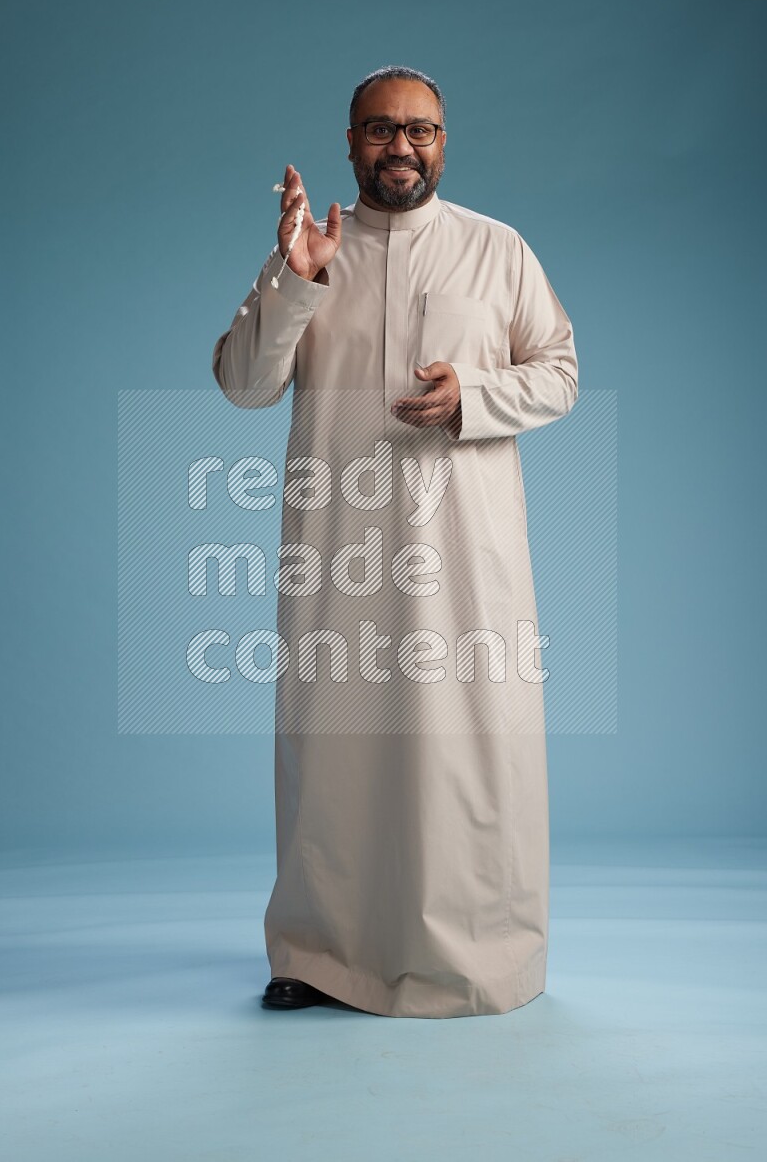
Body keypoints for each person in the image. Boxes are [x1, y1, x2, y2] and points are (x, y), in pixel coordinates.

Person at [212, 65, 578, 1018]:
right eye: (380, 130)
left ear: (445, 142)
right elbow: (245, 385)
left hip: (464, 557)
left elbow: (562, 371)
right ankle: (320, 952)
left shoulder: (497, 251)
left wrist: (478, 398)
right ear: (350, 144)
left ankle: (486, 951)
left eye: (420, 130)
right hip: (341, 553)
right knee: (333, 754)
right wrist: (294, 276)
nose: (401, 147)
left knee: (469, 752)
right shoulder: (309, 252)